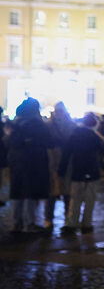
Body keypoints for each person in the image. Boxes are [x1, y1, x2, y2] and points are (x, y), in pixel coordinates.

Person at [6, 98, 52, 234]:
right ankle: (29, 222)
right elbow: (49, 142)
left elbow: (11, 143)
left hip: (17, 163)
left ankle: (17, 222)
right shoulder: (38, 124)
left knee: (18, 194)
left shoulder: (15, 124)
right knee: (30, 194)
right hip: (34, 163)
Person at [58, 113, 104, 234]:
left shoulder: (74, 135)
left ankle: (72, 223)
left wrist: (61, 171)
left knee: (75, 199)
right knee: (90, 200)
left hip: (78, 171)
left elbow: (66, 154)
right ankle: (87, 224)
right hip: (92, 171)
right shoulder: (94, 137)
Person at [45, 101, 75, 230]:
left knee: (67, 193)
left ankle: (68, 219)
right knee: (51, 192)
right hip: (52, 161)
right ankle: (48, 219)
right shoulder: (48, 126)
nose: (59, 114)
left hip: (67, 161)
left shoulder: (70, 125)